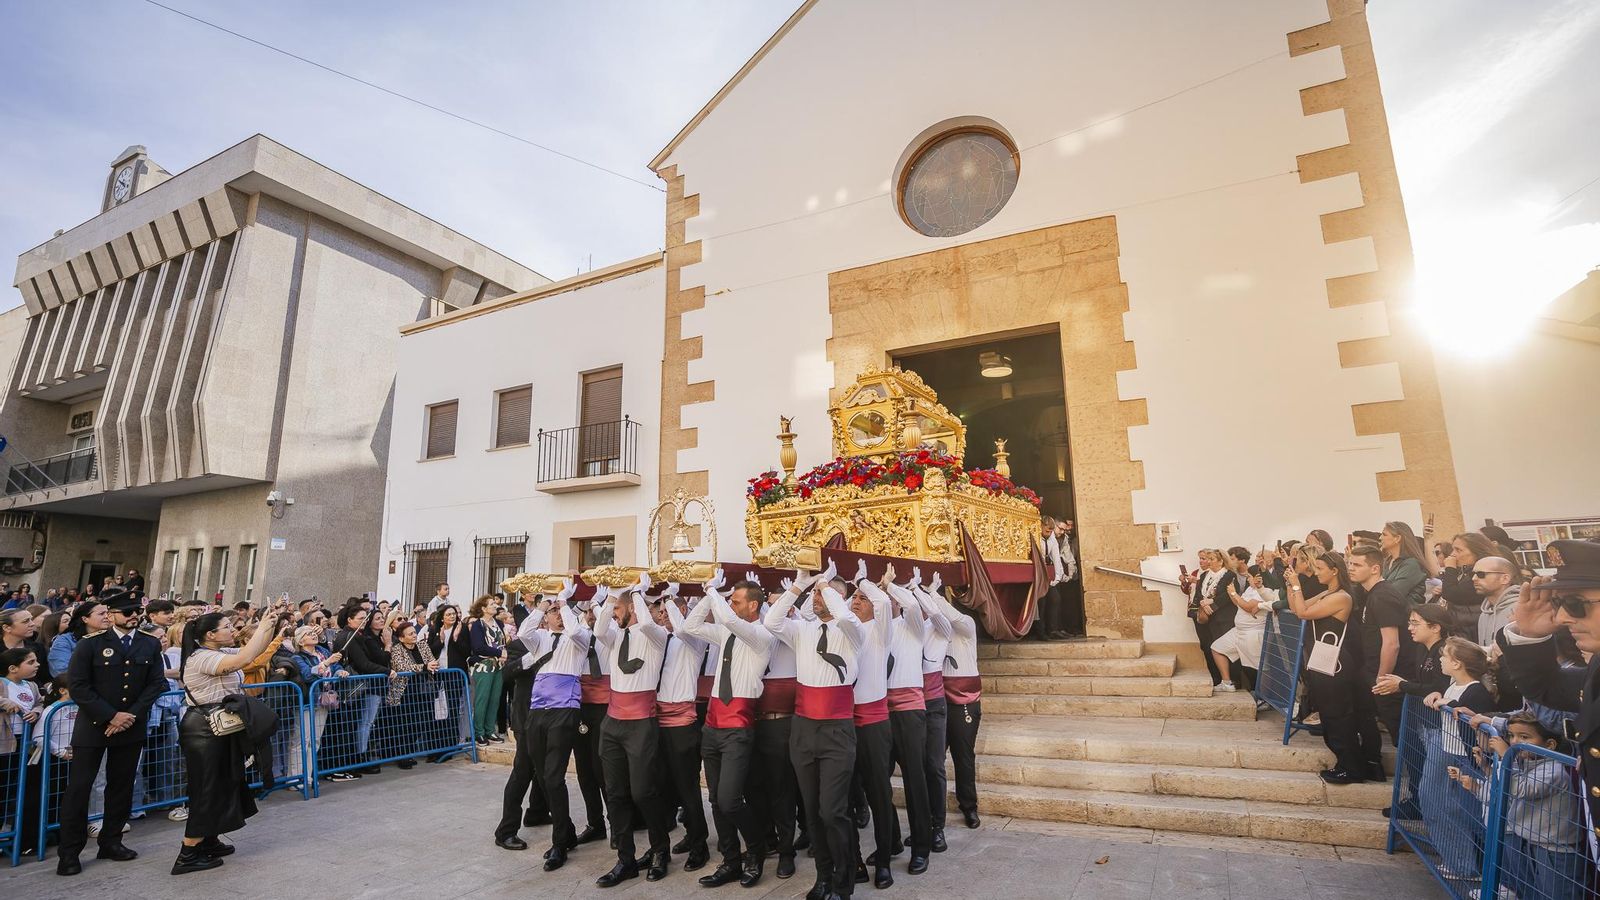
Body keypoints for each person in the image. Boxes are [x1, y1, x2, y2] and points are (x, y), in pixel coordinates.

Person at [765, 563, 862, 900]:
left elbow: (847, 618)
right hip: (804, 729)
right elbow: (771, 621)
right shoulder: (802, 630)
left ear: (838, 597)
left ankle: (843, 881)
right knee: (812, 809)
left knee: (832, 810)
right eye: (816, 595)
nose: (817, 598)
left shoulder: (851, 631)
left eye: (823, 594)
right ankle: (823, 877)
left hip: (837, 730)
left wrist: (826, 585)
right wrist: (799, 585)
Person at [54, 591, 167, 876]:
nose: (131, 616)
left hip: (130, 726)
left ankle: (111, 841)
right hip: (94, 727)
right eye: (124, 611)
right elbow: (78, 686)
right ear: (111, 615)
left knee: (121, 786)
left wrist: (129, 716)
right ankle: (70, 852)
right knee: (79, 789)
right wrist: (110, 715)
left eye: (134, 611)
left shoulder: (149, 644)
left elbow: (155, 684)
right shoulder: (90, 644)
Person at [172, 609, 289, 874]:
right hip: (204, 729)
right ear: (211, 635)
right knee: (207, 788)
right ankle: (188, 852)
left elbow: (252, 653)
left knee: (224, 783)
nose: (232, 630)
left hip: (218, 727)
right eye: (226, 627)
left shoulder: (218, 653)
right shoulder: (202, 657)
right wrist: (263, 627)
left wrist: (269, 625)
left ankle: (209, 840)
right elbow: (245, 658)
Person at [681, 573, 775, 888]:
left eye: (735, 601)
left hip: (737, 728)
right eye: (729, 600)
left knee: (730, 799)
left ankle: (757, 850)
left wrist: (711, 589)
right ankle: (731, 861)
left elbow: (731, 622)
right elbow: (689, 627)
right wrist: (710, 595)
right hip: (712, 726)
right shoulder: (726, 631)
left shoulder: (761, 635)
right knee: (717, 802)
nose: (730, 605)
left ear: (753, 605)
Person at [1451, 711, 1586, 900]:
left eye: (1524, 737)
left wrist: (1506, 755)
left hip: (1557, 848)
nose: (1515, 742)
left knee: (1557, 893)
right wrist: (1486, 771)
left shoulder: (1554, 770)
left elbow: (1522, 789)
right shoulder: (1526, 763)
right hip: (1535, 842)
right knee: (1537, 890)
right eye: (1512, 736)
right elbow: (1511, 787)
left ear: (1549, 745)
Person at [592, 576, 674, 887]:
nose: (613, 613)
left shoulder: (654, 636)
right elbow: (599, 629)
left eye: (618, 609)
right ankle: (625, 859)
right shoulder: (614, 635)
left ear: (633, 608)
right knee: (615, 793)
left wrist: (637, 592)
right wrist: (613, 595)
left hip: (641, 722)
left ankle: (659, 850)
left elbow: (648, 625)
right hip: (613, 722)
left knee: (643, 791)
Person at [1284, 552, 1372, 784]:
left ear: (1334, 571)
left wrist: (1296, 585)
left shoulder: (1342, 597)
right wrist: (1290, 583)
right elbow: (1297, 608)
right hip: (1323, 661)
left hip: (1336, 663)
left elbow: (1303, 612)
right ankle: (1346, 764)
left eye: (1321, 568)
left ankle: (1352, 768)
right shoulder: (1329, 593)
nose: (1318, 572)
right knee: (1330, 716)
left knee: (1338, 717)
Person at [653, 587, 712, 875]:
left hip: (682, 720)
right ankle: (679, 836)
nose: (663, 617)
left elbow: (681, 625)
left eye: (667, 612)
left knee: (687, 786)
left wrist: (671, 601)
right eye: (661, 612)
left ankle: (699, 842)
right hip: (657, 719)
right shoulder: (660, 639)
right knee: (665, 785)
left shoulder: (692, 639)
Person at [882, 572, 933, 876]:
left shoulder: (912, 625)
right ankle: (890, 842)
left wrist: (891, 586)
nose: (884, 602)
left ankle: (921, 848)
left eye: (888, 599)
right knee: (874, 780)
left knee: (914, 779)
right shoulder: (872, 629)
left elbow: (912, 607)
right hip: (879, 711)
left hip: (910, 709)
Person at [751, 581, 803, 879]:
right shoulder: (756, 635)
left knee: (782, 790)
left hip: (781, 724)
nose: (772, 610)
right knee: (756, 789)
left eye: (778, 604)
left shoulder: (794, 633)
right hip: (749, 722)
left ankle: (786, 850)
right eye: (768, 604)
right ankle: (764, 841)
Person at [913, 575, 952, 854]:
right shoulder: (907, 627)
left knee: (934, 765)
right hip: (910, 705)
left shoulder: (939, 628)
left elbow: (938, 615)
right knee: (915, 768)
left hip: (934, 704)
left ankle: (937, 826)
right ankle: (921, 825)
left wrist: (920, 590)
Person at [1, 647, 45, 857]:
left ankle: (26, 838)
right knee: (6, 789)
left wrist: (36, 713)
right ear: (13, 668)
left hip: (26, 742)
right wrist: (5, 702)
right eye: (30, 662)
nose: (37, 665)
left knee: (25, 789)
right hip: (6, 742)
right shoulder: (3, 683)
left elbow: (39, 704)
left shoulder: (32, 685)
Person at [385, 621, 440, 769]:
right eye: (410, 634)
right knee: (405, 724)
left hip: (424, 689)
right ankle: (403, 756)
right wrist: (424, 667)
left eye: (414, 632)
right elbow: (400, 666)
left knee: (421, 722)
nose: (414, 635)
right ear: (402, 638)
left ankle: (409, 752)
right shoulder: (397, 649)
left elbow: (431, 660)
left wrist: (432, 665)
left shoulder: (422, 645)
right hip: (405, 691)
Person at [1208, 566, 1271, 691]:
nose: (1248, 580)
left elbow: (1248, 607)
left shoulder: (1265, 591)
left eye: (1249, 577)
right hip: (1238, 631)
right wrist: (1231, 592)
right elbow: (1239, 603)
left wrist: (1233, 593)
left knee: (1256, 667)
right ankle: (1226, 683)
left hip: (1252, 633)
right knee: (1217, 647)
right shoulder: (1249, 589)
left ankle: (1262, 695)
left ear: (1258, 578)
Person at [1185, 550, 1232, 690]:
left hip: (1221, 617)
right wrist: (1203, 605)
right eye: (1207, 559)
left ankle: (1229, 679)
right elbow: (1199, 593)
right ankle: (1216, 678)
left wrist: (1213, 605)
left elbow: (1227, 595)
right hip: (1204, 615)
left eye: (1211, 559)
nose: (1208, 562)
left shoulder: (1229, 575)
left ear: (1221, 561)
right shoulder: (1205, 575)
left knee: (1221, 647)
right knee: (1206, 646)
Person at [467, 594, 508, 746]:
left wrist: (504, 654)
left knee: (495, 699)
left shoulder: (498, 623)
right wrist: (500, 653)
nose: (495, 606)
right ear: (483, 609)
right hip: (484, 666)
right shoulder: (477, 625)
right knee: (482, 699)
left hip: (499, 666)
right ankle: (479, 732)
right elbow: (478, 647)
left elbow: (502, 642)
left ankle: (490, 730)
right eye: (492, 604)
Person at [1469, 556, 1521, 645]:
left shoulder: (1519, 609)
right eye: (1472, 574)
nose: (1473, 578)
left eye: (1481, 574)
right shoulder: (1484, 614)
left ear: (1505, 578)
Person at [1379, 521, 1433, 606]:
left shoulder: (1411, 564)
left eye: (1384, 535)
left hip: (1407, 615)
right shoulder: (1387, 561)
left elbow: (1394, 593)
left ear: (1397, 538)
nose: (1380, 537)